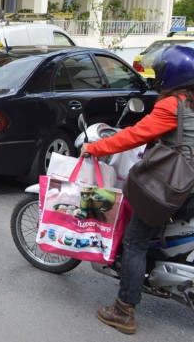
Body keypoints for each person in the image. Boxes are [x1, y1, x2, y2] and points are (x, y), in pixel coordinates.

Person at [80, 45, 194, 335]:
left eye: (161, 73)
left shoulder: (172, 105)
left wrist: (94, 147)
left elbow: (134, 136)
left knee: (135, 241)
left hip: (178, 187)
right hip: (189, 185)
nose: (157, 78)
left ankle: (123, 310)